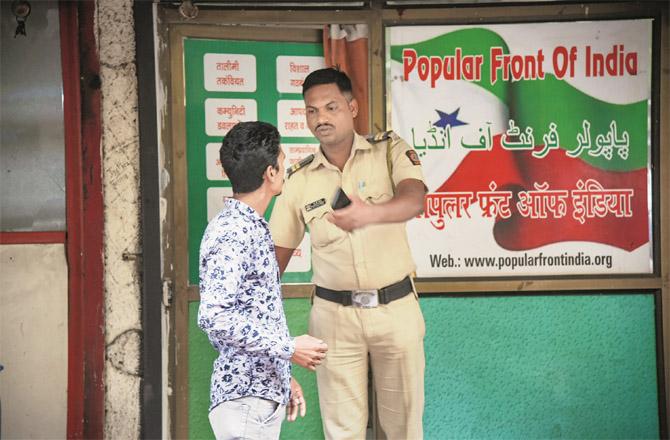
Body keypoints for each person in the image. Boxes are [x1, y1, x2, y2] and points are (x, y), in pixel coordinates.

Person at [269, 68, 427, 439]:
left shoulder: (389, 150)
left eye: (330, 107)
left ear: (352, 108)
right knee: (341, 432)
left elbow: (414, 199)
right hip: (333, 319)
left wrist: (371, 213)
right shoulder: (299, 179)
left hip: (396, 310)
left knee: (403, 428)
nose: (320, 118)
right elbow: (274, 260)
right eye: (311, 111)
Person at [198, 121, 328, 440]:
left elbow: (255, 312)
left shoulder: (252, 226)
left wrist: (282, 377)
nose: (285, 168)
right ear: (270, 173)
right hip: (243, 404)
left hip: (257, 399)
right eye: (282, 162)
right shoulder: (231, 233)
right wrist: (288, 347)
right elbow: (214, 316)